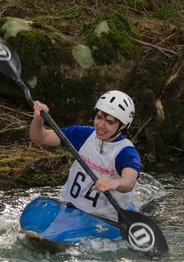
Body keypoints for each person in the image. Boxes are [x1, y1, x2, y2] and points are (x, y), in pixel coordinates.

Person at [29, 90, 141, 222]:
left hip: (103, 220)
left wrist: (114, 183)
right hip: (68, 208)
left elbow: (129, 182)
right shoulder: (83, 135)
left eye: (110, 122)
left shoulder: (126, 152)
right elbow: (40, 138)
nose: (100, 125)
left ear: (123, 126)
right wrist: (38, 120)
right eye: (99, 117)